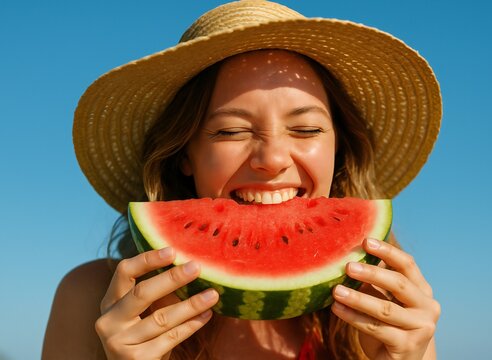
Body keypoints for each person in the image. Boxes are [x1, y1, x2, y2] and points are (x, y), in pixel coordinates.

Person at [43, 1, 442, 359]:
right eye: (230, 131)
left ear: (339, 149)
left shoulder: (385, 299)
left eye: (305, 130)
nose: (271, 160)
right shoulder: (91, 298)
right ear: (184, 154)